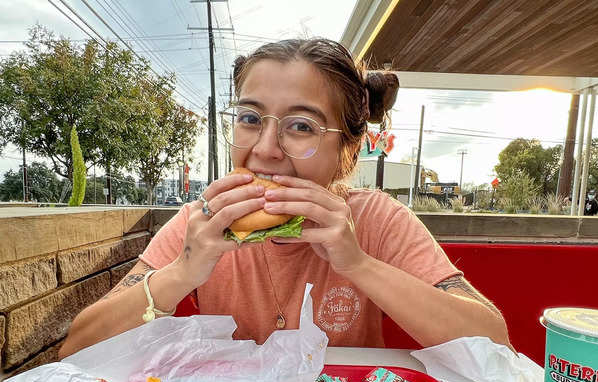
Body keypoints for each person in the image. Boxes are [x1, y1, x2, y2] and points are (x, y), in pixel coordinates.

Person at [59, 38, 510, 358]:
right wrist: (183, 271)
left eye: (301, 126)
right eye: (250, 118)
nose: (265, 149)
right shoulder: (202, 224)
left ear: (347, 151)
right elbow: (76, 350)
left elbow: (494, 343)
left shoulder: (379, 219)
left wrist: (357, 264)